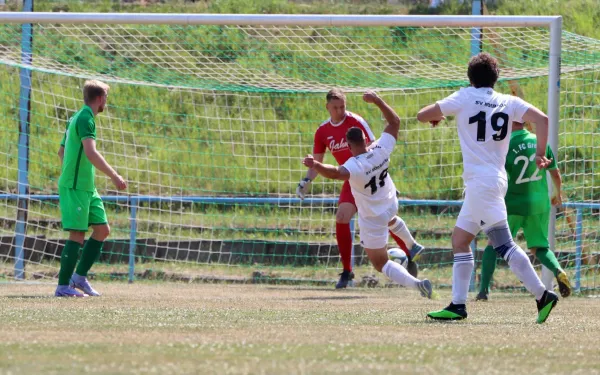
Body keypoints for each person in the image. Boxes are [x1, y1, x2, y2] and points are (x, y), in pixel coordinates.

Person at [417, 52, 559, 323]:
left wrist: (440, 116)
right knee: (460, 240)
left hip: (481, 183)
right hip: (491, 181)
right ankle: (458, 305)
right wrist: (541, 153)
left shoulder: (463, 97)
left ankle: (543, 295)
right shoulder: (507, 101)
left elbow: (422, 115)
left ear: (470, 78)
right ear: (496, 78)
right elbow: (543, 119)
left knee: (504, 244)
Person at [302, 90, 432, 298]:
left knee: (381, 263)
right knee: (381, 217)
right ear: (365, 139)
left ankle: (418, 284)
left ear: (349, 145)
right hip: (390, 201)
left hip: (372, 215)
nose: (339, 110)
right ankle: (411, 245)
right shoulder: (381, 148)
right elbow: (394, 122)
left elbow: (335, 173)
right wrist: (378, 100)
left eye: (342, 106)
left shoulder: (352, 166)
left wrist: (315, 165)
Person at [476, 121, 571, 301]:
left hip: (513, 203)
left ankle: (483, 291)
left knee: (494, 244)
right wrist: (557, 195)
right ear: (525, 122)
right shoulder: (539, 142)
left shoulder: (504, 146)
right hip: (539, 204)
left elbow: (496, 177)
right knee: (539, 247)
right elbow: (555, 174)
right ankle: (558, 270)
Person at [55, 80, 127, 297]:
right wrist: (114, 176)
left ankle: (78, 278)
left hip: (86, 187)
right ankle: (62, 287)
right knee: (77, 234)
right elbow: (91, 153)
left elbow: (61, 153)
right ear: (100, 98)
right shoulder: (85, 118)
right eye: (106, 96)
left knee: (102, 230)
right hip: (76, 187)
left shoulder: (76, 117)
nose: (106, 101)